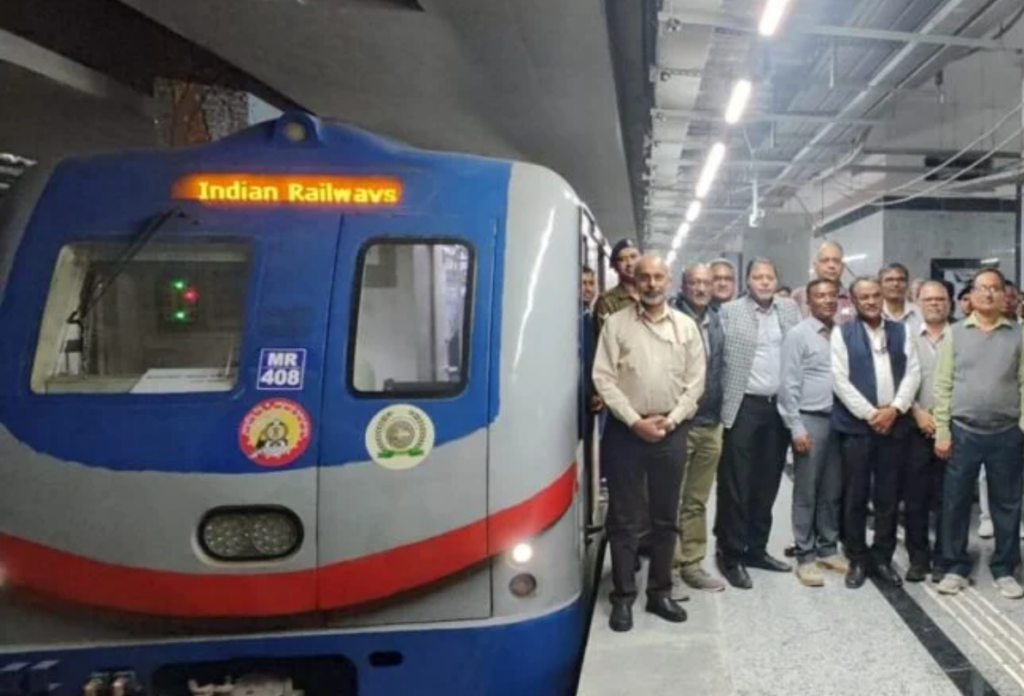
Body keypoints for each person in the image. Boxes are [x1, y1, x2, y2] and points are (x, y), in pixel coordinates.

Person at [592, 255, 707, 631]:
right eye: (645, 277)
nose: (653, 283)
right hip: (626, 433)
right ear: (635, 281)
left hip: (671, 433)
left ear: (669, 281)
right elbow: (604, 378)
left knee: (665, 517)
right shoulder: (616, 324)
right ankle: (623, 597)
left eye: (659, 277)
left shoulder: (687, 327)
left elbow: (696, 383)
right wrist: (635, 421)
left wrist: (670, 421)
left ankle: (660, 592)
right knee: (624, 519)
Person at [933, 268, 1024, 599]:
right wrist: (942, 430)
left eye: (995, 289)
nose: (988, 294)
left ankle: (1004, 568)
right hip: (963, 431)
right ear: (969, 296)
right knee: (955, 501)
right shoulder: (955, 333)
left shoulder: (1018, 334)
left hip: (1007, 432)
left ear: (1004, 295)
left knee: (1008, 503)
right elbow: (943, 385)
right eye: (982, 288)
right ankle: (955, 566)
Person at [714, 258, 802, 589]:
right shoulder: (730, 312)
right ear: (747, 281)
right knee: (736, 484)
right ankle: (731, 553)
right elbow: (719, 361)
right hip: (743, 405)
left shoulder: (789, 309)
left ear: (777, 280)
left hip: (777, 408)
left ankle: (757, 549)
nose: (764, 282)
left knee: (767, 482)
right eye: (757, 277)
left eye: (770, 276)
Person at [831, 276, 921, 589]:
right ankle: (857, 557)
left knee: (888, 496)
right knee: (855, 494)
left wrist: (894, 409)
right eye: (863, 297)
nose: (870, 301)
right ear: (853, 302)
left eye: (875, 295)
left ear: (882, 297)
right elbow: (840, 381)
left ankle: (882, 557)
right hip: (858, 427)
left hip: (894, 425)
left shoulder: (901, 331)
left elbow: (913, 373)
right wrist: (872, 414)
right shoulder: (842, 334)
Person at [777, 279, 846, 586]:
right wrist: (796, 426)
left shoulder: (842, 332)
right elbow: (788, 384)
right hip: (810, 420)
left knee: (832, 490)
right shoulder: (798, 335)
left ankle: (827, 548)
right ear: (809, 301)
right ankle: (805, 556)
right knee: (806, 490)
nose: (827, 300)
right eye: (820, 295)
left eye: (832, 295)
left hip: (839, 421)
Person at [672, 263, 727, 593]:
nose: (701, 288)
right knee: (670, 499)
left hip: (711, 424)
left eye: (706, 283)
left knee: (696, 500)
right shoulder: (671, 319)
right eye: (694, 282)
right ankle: (669, 567)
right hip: (681, 424)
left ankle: (692, 562)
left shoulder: (718, 319)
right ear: (683, 285)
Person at [904, 280, 951, 583]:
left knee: (948, 498)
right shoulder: (907, 337)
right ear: (918, 302)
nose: (935, 304)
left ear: (950, 303)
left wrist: (946, 422)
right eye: (929, 299)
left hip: (951, 428)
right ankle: (918, 558)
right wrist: (917, 413)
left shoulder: (961, 337)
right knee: (915, 499)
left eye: (941, 299)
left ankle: (944, 558)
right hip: (913, 427)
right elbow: (898, 380)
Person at [792, 241, 856, 325]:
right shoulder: (799, 296)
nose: (831, 265)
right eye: (825, 260)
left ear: (842, 267)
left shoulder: (854, 298)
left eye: (836, 261)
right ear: (815, 266)